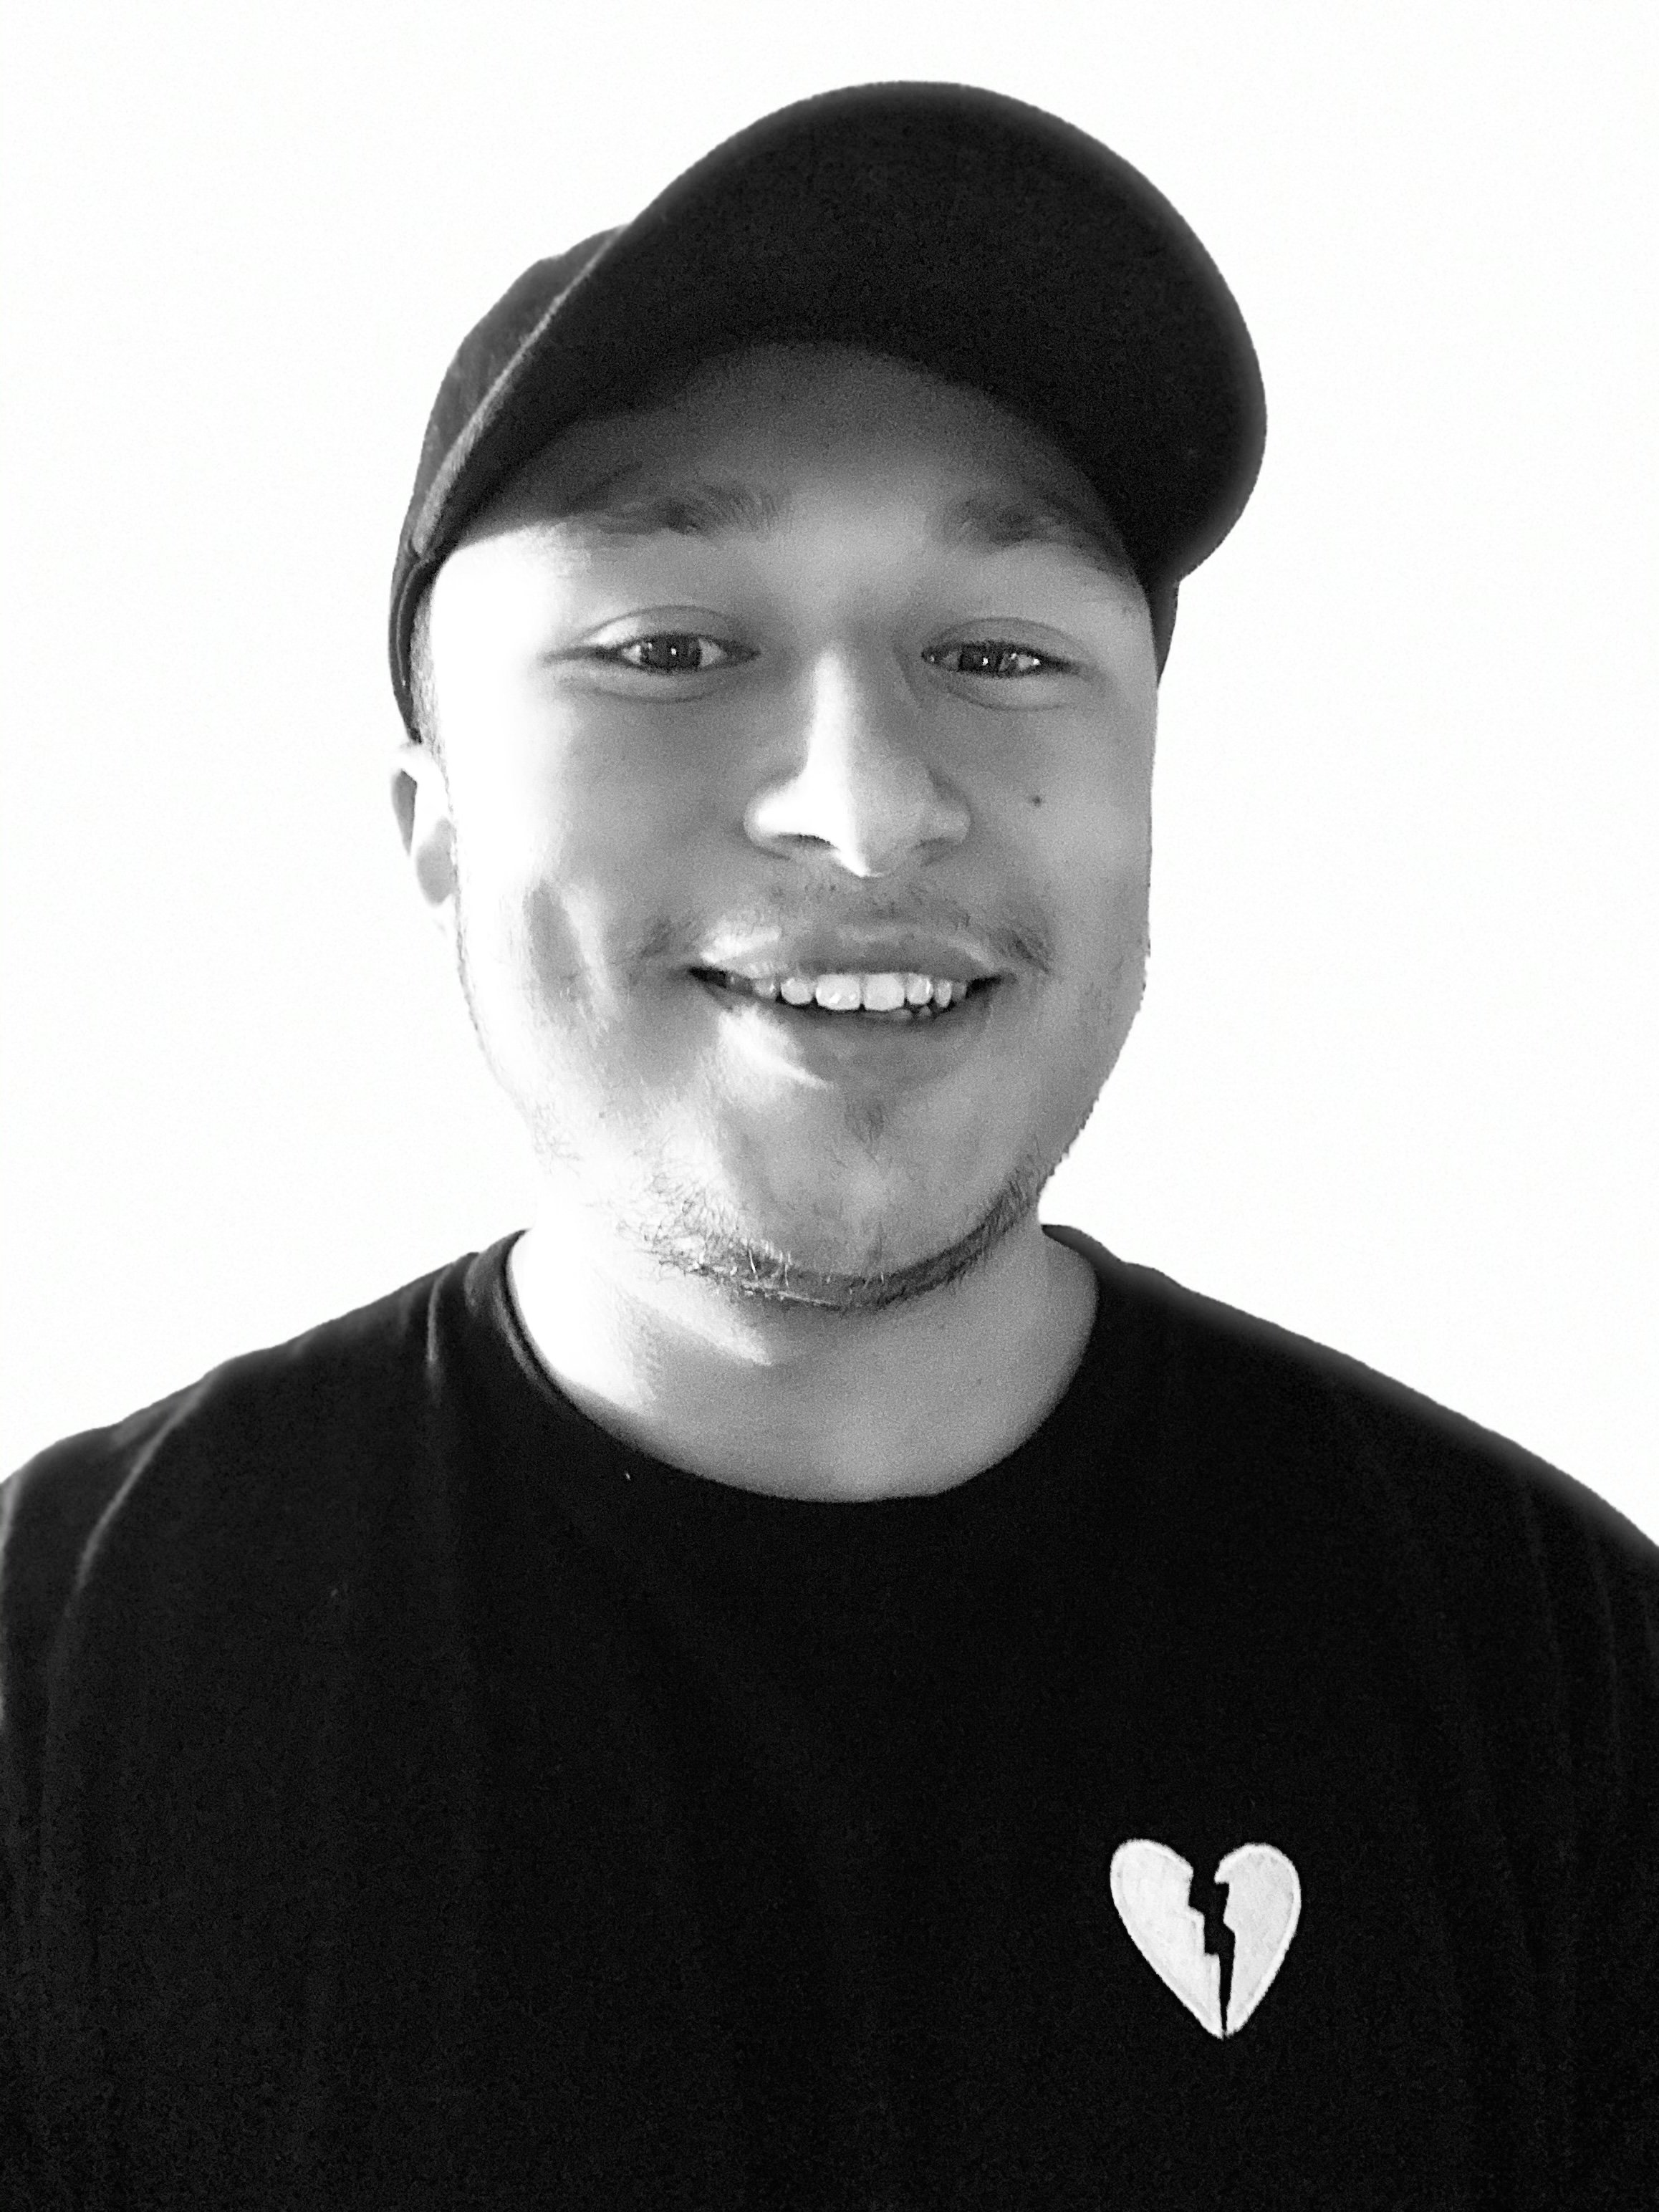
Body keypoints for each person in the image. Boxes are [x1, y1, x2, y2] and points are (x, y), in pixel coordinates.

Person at [1, 80, 1653, 2212]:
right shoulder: (66, 1699)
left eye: (996, 653)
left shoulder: (1552, 1691)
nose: (864, 807)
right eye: (667, 649)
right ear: (430, 821)